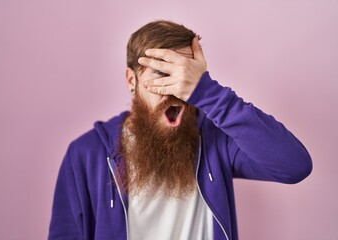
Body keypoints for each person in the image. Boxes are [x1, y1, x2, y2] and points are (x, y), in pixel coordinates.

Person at [48, 20, 312, 240]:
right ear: (132, 80)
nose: (177, 89)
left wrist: (210, 93)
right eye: (162, 73)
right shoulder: (87, 154)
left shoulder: (214, 138)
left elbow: (294, 166)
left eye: (185, 74)